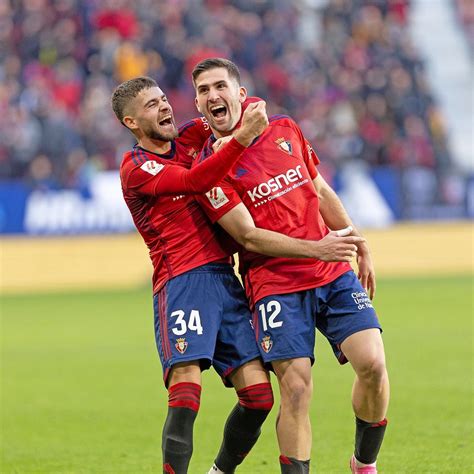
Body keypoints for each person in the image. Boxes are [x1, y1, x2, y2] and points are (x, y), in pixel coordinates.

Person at [191, 58, 390, 474]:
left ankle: (364, 464)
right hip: (274, 283)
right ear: (198, 105)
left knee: (372, 363)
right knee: (296, 388)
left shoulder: (283, 128)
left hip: (331, 271)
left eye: (219, 86)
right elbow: (247, 237)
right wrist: (319, 248)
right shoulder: (210, 172)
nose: (213, 96)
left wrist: (357, 239)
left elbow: (318, 189)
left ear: (240, 95)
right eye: (203, 91)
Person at [111, 76, 276, 474]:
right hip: (182, 281)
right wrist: (237, 142)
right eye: (151, 105)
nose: (165, 107)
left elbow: (240, 106)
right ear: (132, 122)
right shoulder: (136, 167)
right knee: (186, 396)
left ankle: (219, 472)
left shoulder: (188, 138)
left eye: (164, 99)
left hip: (225, 278)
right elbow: (194, 180)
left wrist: (237, 104)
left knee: (259, 397)